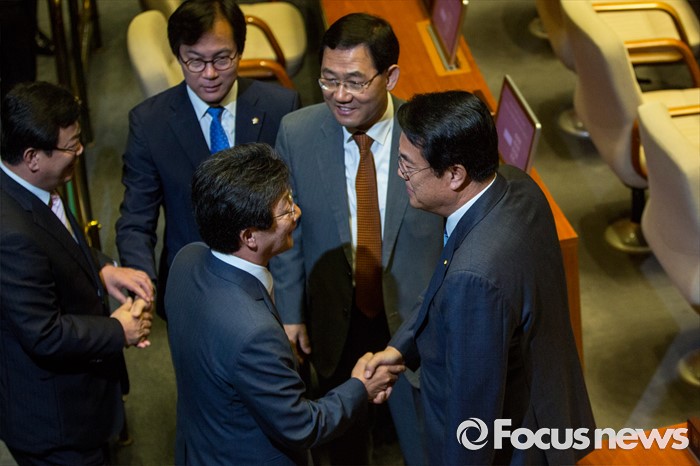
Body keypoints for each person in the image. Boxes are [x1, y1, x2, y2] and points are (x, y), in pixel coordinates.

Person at [364, 90, 596, 465]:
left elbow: (473, 416)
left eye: (408, 165)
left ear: (455, 174)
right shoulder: (518, 185)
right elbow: (440, 287)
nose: (400, 173)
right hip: (549, 410)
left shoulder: (473, 279)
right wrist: (399, 349)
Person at [269, 12, 443, 465]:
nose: (340, 95)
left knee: (419, 439)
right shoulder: (296, 133)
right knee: (343, 443)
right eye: (329, 80)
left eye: (355, 82)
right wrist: (291, 310)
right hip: (335, 314)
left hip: (413, 318)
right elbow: (288, 231)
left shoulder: (430, 136)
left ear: (391, 77)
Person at [165, 144, 404, 465]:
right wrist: (362, 386)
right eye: (286, 208)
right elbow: (303, 425)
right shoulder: (254, 333)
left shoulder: (186, 260)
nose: (297, 213)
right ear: (249, 236)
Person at [0, 81, 154, 465]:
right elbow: (44, 332)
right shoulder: (11, 234)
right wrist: (119, 330)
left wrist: (101, 269)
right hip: (55, 425)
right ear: (33, 157)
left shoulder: (34, 186)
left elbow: (57, 245)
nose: (81, 151)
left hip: (81, 406)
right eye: (71, 146)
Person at [115, 0, 300, 318]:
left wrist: (293, 305)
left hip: (271, 288)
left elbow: (297, 209)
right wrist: (141, 284)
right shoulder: (150, 122)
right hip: (193, 288)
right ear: (178, 56)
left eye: (222, 59)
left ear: (240, 51)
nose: (210, 74)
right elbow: (136, 219)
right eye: (195, 61)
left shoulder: (280, 107)